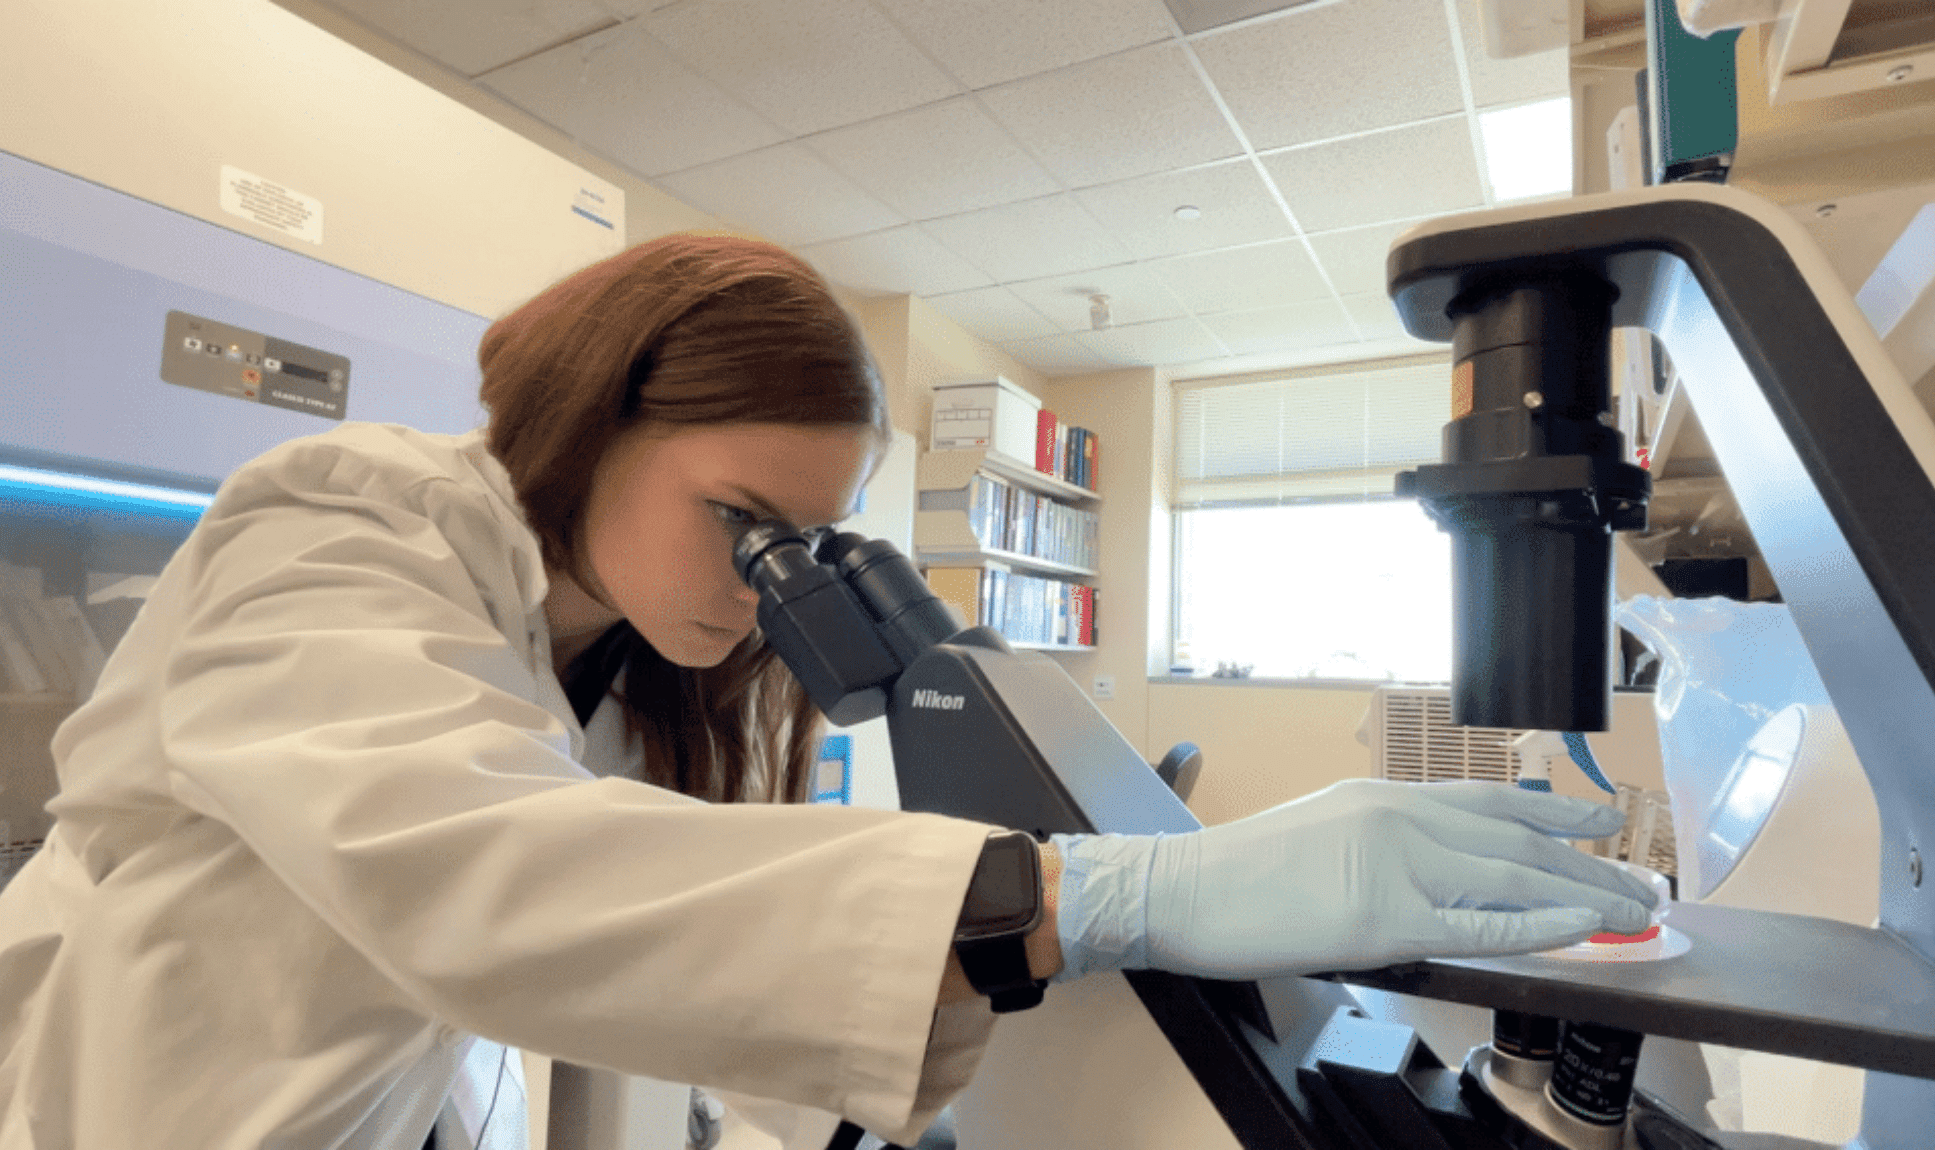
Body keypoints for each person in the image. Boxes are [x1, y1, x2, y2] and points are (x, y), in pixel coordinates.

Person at [0, 233, 1655, 1149]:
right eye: (744, 524)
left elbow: (688, 970)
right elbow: (480, 877)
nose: (765, 582)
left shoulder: (629, 666)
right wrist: (1087, 894)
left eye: (809, 542)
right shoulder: (337, 521)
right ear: (595, 419)